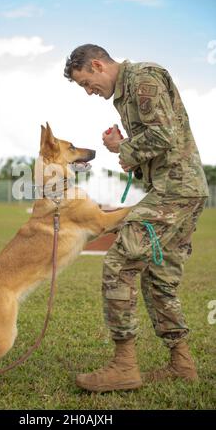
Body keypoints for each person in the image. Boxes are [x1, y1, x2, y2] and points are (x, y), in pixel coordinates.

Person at [64, 44, 209, 392]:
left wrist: (123, 150)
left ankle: (124, 366)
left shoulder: (143, 78)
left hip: (176, 190)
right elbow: (160, 137)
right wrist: (127, 147)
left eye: (87, 82)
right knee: (158, 277)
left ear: (98, 64)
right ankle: (182, 364)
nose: (88, 91)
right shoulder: (127, 91)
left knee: (119, 263)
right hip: (179, 189)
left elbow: (165, 134)